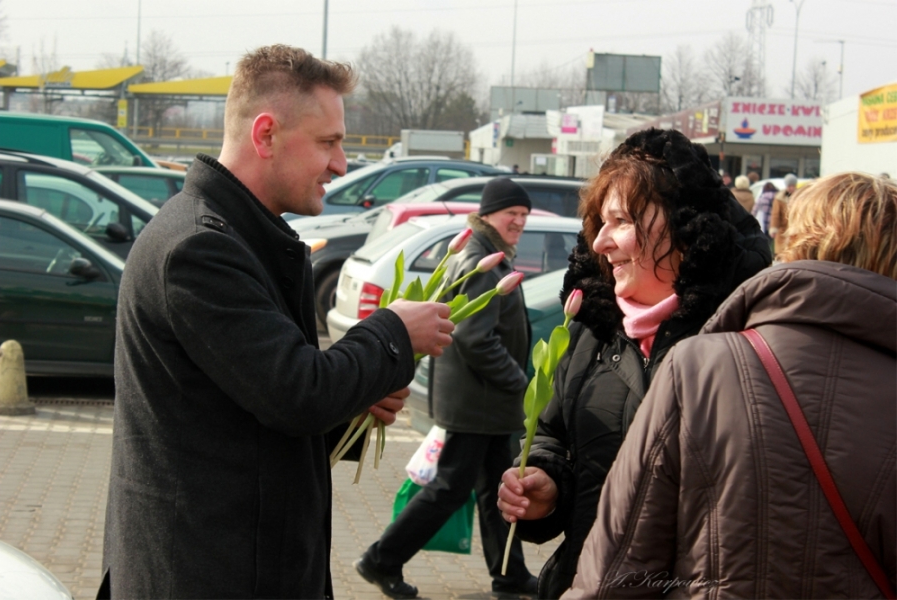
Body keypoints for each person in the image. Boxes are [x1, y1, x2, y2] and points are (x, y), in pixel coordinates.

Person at [99, 45, 455, 599]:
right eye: (327, 143)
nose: (341, 165)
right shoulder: (199, 249)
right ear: (265, 135)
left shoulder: (235, 237)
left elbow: (249, 409)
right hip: (205, 575)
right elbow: (297, 392)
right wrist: (393, 334)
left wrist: (353, 403)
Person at [563, 172, 896, 599]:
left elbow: (616, 570)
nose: (600, 243)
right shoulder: (686, 361)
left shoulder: (698, 366)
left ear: (795, 241)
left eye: (622, 220)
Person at [496, 128, 772, 599]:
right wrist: (546, 483)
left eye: (621, 221)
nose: (601, 242)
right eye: (600, 223)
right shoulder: (590, 330)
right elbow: (549, 435)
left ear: (686, 226)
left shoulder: (743, 341)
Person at [356, 177, 539, 599]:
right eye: (511, 213)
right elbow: (475, 338)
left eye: (524, 215)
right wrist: (519, 382)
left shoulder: (489, 255)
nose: (519, 221)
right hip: (477, 403)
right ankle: (381, 560)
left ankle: (509, 575)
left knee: (496, 490)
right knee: (449, 488)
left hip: (485, 405)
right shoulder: (481, 261)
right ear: (488, 215)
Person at [769, 172, 797, 253]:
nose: (791, 188)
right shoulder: (779, 198)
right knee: (781, 252)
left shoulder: (799, 197)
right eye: (789, 186)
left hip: (795, 230)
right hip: (782, 230)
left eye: (793, 186)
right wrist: (774, 228)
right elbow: (775, 215)